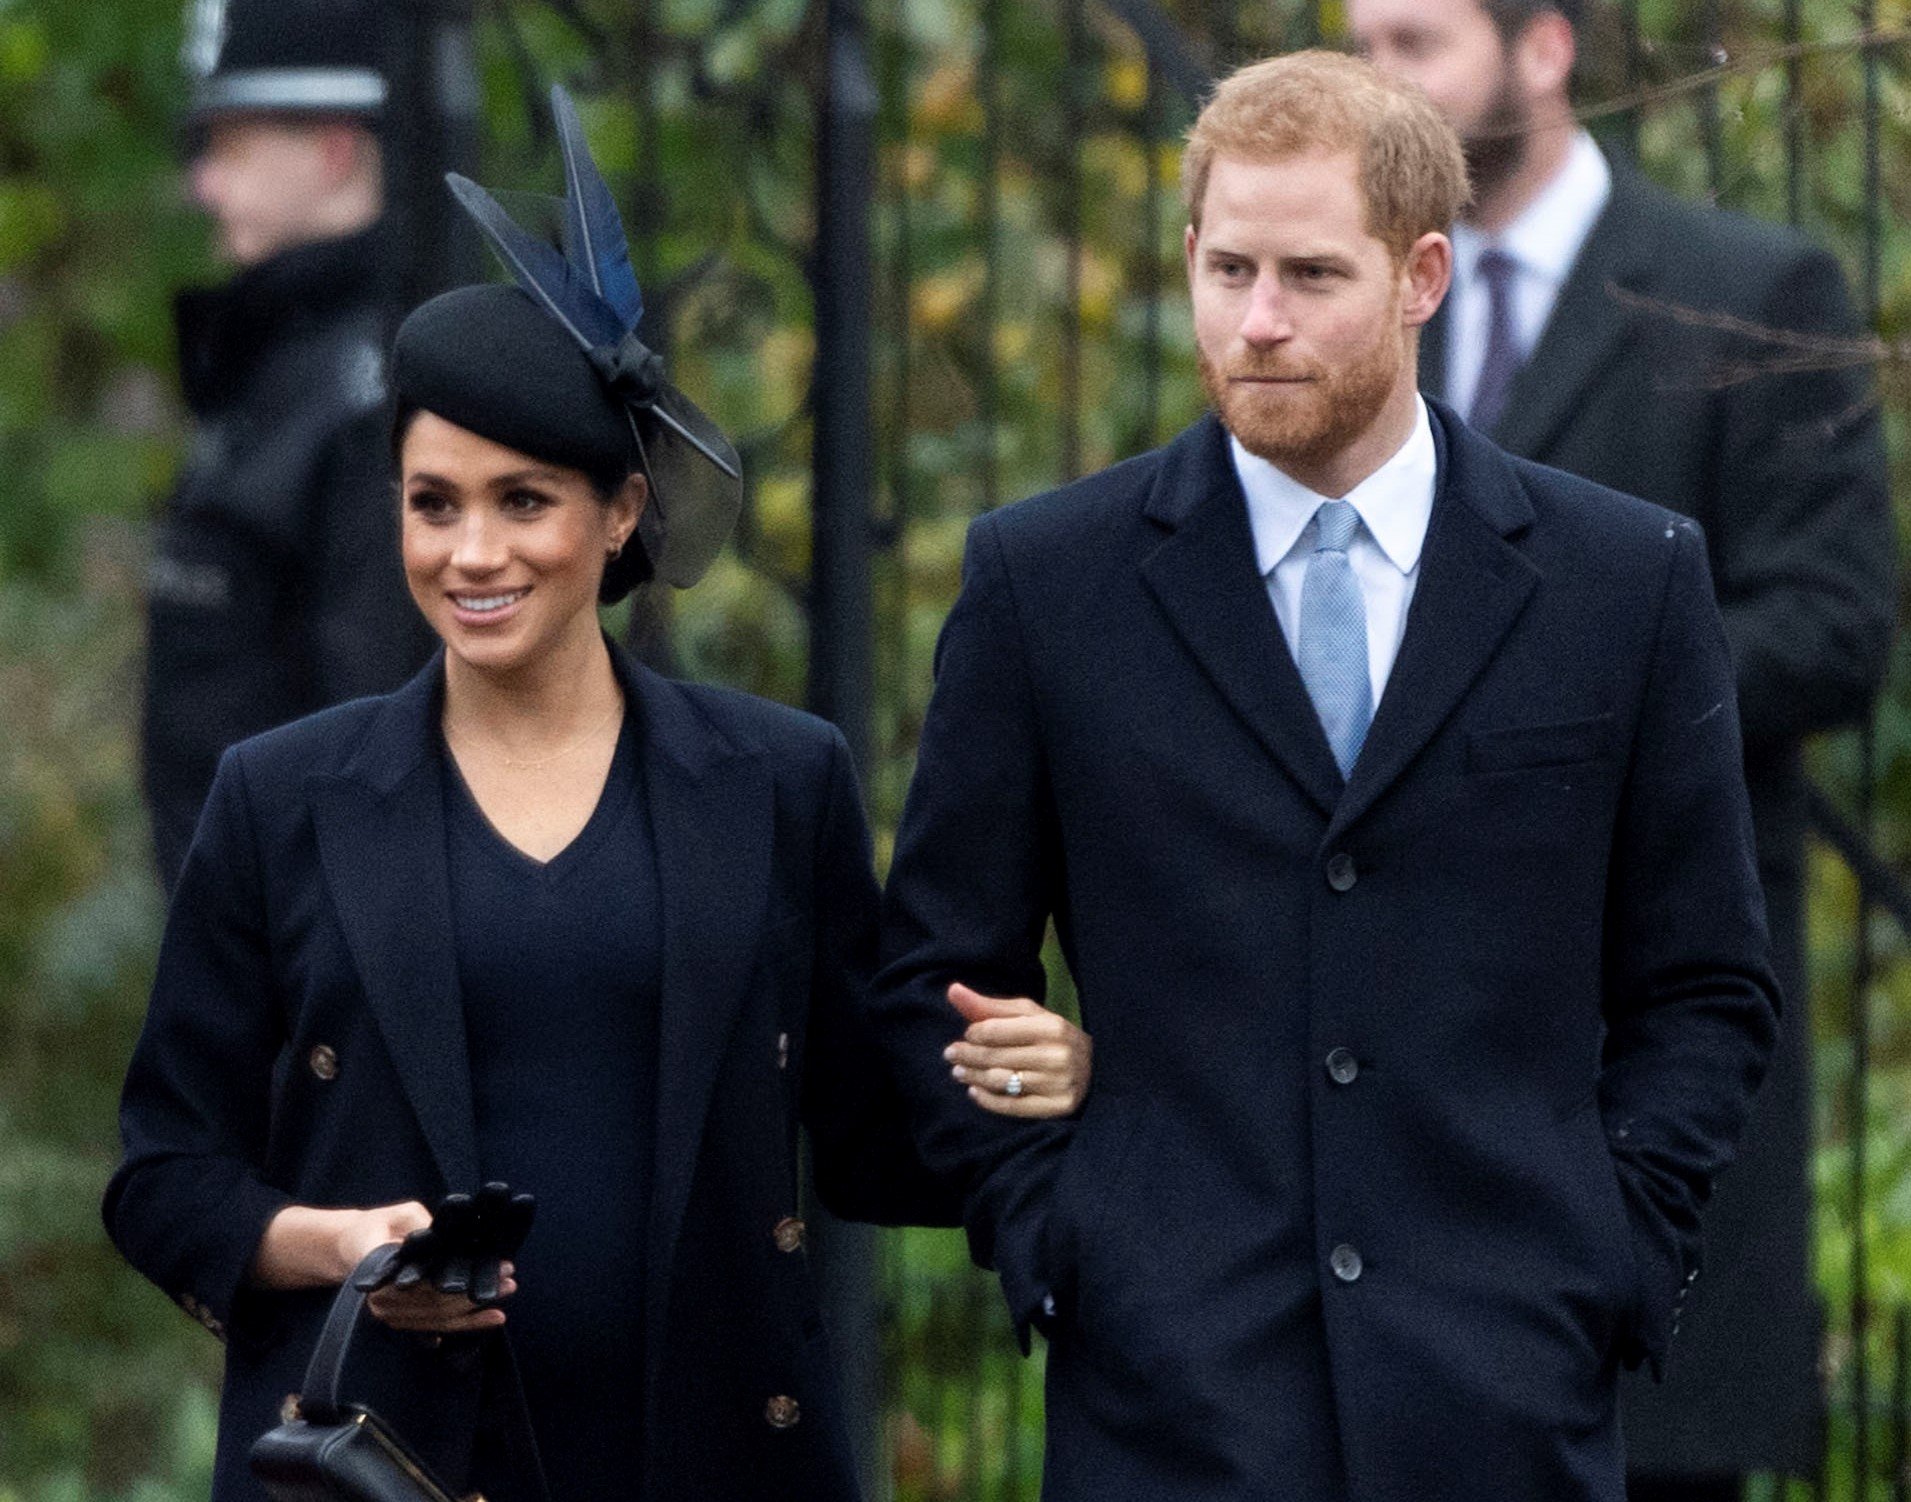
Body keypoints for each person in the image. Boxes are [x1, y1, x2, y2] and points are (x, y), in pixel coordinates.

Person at [105, 90, 1091, 1502]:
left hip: (708, 1458)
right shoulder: (283, 797)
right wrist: (345, 1248)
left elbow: (880, 1133)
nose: (471, 550)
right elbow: (163, 1176)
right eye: (431, 501)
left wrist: (1043, 1079)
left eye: (524, 500)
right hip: (386, 1463)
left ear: (619, 513)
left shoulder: (772, 779)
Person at [873, 51, 1779, 1501]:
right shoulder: (1044, 585)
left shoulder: (1624, 581)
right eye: (1224, 267)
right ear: (1183, 254)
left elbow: (1702, 986)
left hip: (1507, 1404)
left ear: (1420, 274)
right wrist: (1057, 1235)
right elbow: (931, 970)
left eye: (1307, 274)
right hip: (1162, 1405)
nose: (1256, 321)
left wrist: (1609, 1251)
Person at [1346, 0, 1896, 1489]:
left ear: (1542, 50)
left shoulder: (1745, 288)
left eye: (1414, 44)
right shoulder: (1358, 315)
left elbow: (1835, 625)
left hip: (1641, 1018)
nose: (1376, 85)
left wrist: (1532, 694)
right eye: (1358, 48)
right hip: (1398, 1059)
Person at [144, 0, 432, 893]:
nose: (205, 186)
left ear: (334, 150)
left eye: (228, 147)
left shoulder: (371, 402)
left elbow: (376, 752)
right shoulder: (278, 371)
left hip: (310, 990)